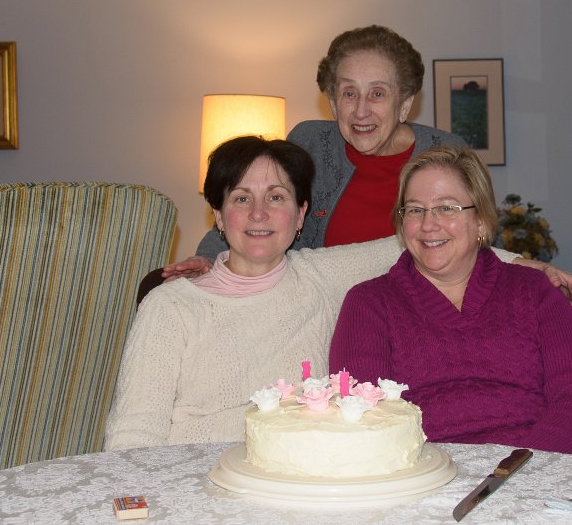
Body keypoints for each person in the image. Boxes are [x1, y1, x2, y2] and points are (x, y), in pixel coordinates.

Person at [104, 137, 522, 450]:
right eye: (241, 198)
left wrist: (527, 265)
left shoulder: (322, 275)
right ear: (217, 214)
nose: (259, 214)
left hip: (300, 480)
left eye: (277, 197)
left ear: (301, 213)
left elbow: (425, 241)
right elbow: (133, 434)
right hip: (195, 480)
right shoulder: (171, 307)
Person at [164, 24, 572, 312]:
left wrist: (533, 268)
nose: (361, 110)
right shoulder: (311, 142)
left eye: (378, 94)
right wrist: (206, 261)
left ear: (405, 103)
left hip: (417, 317)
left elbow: (475, 247)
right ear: (332, 101)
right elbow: (256, 208)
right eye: (348, 93)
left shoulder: (446, 153)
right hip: (314, 315)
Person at [328, 146, 572, 457]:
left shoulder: (535, 291)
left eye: (447, 208)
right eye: (415, 209)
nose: (428, 224)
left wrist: (525, 469)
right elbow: (364, 414)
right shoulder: (368, 305)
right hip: (428, 473)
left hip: (541, 467)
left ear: (481, 222)